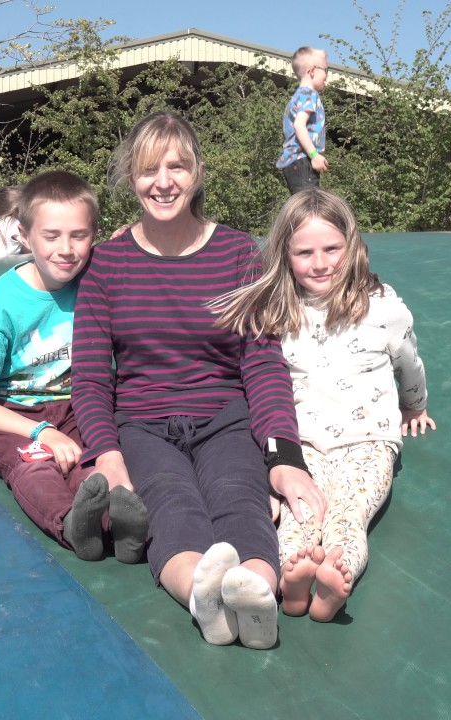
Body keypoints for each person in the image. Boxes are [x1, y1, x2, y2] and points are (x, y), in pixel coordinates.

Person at [72, 111, 325, 650]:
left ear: (199, 173)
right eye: (148, 170)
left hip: (223, 418)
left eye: (177, 167)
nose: (163, 182)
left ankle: (255, 596)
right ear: (131, 178)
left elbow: (262, 363)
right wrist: (108, 456)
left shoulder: (237, 254)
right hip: (142, 424)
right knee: (171, 508)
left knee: (241, 500)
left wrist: (283, 457)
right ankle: (201, 598)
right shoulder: (107, 264)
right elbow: (92, 377)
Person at [210, 188, 434, 622]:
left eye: (332, 248)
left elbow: (409, 361)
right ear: (285, 254)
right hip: (303, 446)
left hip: (367, 443)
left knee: (349, 514)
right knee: (299, 515)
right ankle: (293, 578)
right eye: (304, 252)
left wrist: (415, 406)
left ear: (352, 246)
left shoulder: (382, 307)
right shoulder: (276, 309)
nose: (320, 263)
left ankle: (335, 577)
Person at [0, 171, 148, 563]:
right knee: (36, 469)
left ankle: (119, 528)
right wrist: (41, 432)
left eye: (79, 235)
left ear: (93, 235)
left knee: (94, 467)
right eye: (51, 236)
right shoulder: (2, 305)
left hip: (80, 406)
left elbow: (131, 253)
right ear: (24, 236)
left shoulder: (93, 277)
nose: (66, 249)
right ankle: (71, 524)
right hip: (14, 416)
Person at [276, 46, 330, 195]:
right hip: (302, 160)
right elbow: (299, 126)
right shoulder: (309, 94)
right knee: (309, 205)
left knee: (307, 204)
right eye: (326, 70)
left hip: (298, 162)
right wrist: (314, 155)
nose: (327, 75)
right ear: (312, 71)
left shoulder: (299, 96)